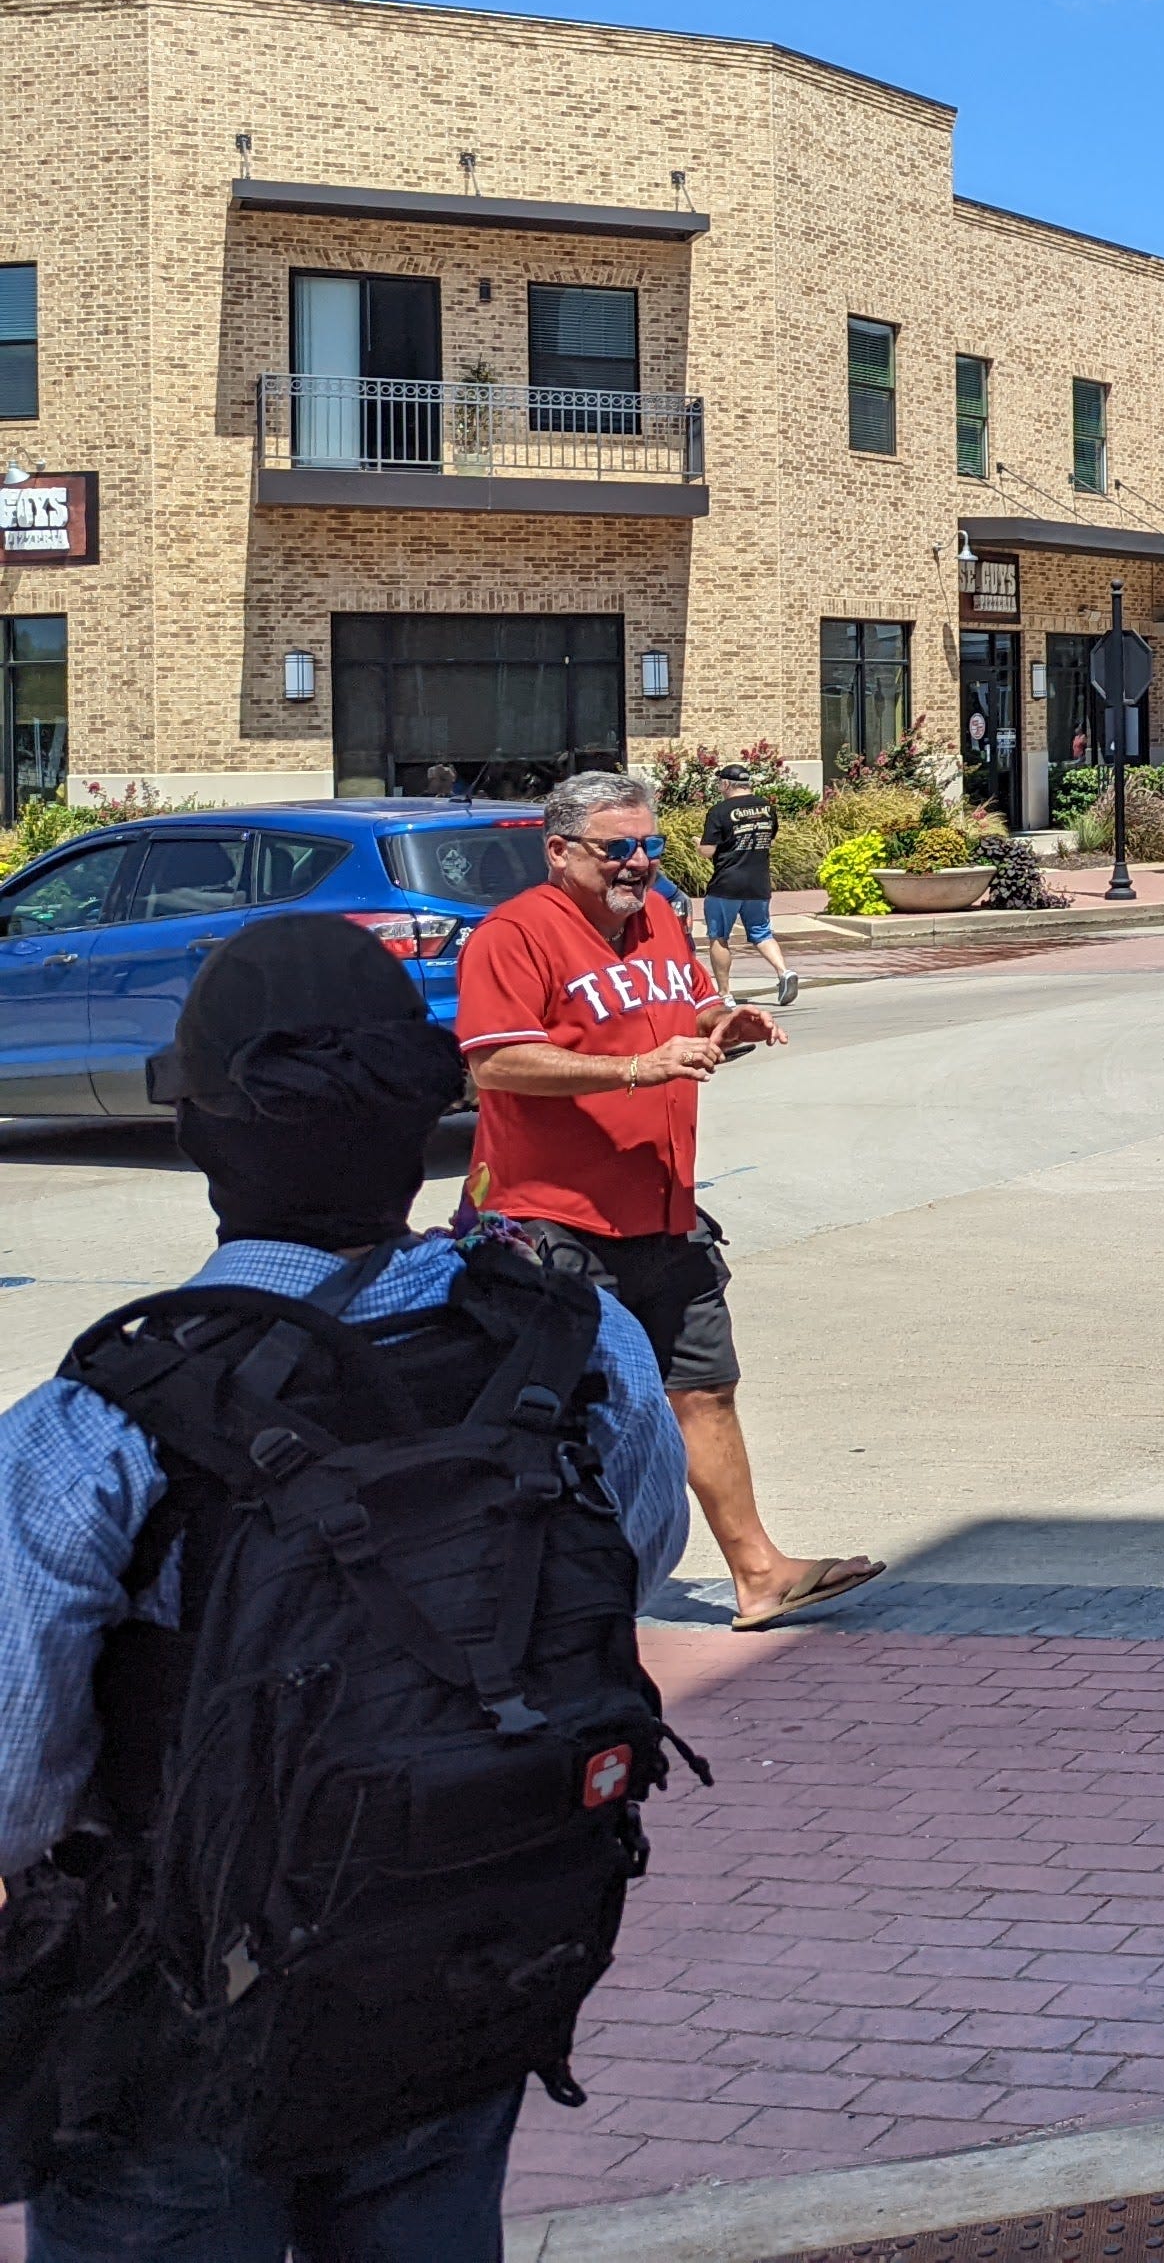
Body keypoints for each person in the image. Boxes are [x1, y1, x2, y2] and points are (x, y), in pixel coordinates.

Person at [0, 916, 691, 2263]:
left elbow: (13, 1788)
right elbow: (638, 1560)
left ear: (197, 1128)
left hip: (176, 2011)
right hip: (467, 1955)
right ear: (428, 1114)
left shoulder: (100, 1422)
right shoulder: (571, 1334)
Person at [460, 769, 883, 1630]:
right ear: (560, 851)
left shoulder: (657, 920)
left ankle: (759, 1574)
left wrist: (727, 1024)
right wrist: (632, 1069)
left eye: (650, 846)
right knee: (556, 1414)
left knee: (704, 1388)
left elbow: (690, 1012)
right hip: (553, 1221)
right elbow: (493, 1062)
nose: (639, 863)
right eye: (619, 849)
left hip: (663, 1204)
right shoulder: (514, 936)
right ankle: (522, 1598)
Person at [700, 775, 800, 1007]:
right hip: (758, 883)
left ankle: (724, 993)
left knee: (719, 936)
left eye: (719, 784)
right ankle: (783, 972)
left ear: (726, 784)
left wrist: (698, 844)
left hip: (726, 884)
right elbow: (769, 840)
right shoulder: (766, 807)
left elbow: (707, 851)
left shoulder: (720, 811)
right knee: (762, 933)